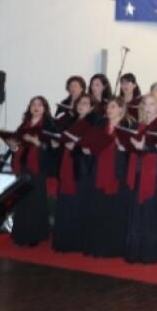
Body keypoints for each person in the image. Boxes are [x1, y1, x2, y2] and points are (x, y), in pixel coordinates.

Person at [124, 94, 157, 264]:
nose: (148, 107)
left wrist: (144, 147)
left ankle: (151, 252)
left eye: (152, 104)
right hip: (138, 169)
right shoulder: (139, 124)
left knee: (152, 211)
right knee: (137, 210)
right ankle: (136, 251)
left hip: (155, 171)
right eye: (145, 104)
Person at [82, 98, 132, 258]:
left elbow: (134, 152)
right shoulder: (100, 124)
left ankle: (112, 248)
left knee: (114, 210)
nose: (109, 109)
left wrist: (124, 148)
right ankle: (96, 246)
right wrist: (88, 150)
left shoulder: (128, 126)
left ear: (121, 109)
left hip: (118, 172)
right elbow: (92, 144)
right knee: (98, 208)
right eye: (108, 106)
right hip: (99, 170)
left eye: (113, 106)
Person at [8, 96, 57, 247]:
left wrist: (37, 143)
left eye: (40, 104)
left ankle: (34, 236)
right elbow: (18, 148)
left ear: (45, 108)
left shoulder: (49, 126)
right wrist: (14, 148)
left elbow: (54, 150)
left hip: (38, 168)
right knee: (22, 202)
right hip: (23, 167)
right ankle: (20, 235)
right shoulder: (23, 126)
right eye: (33, 104)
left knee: (36, 202)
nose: (36, 107)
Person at [52, 93, 95, 252]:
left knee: (77, 202)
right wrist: (56, 144)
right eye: (79, 102)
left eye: (85, 103)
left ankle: (76, 242)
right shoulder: (70, 121)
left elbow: (92, 149)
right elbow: (63, 139)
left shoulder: (92, 125)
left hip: (80, 167)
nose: (81, 105)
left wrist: (76, 147)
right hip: (66, 164)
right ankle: (63, 240)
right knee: (65, 201)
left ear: (91, 108)